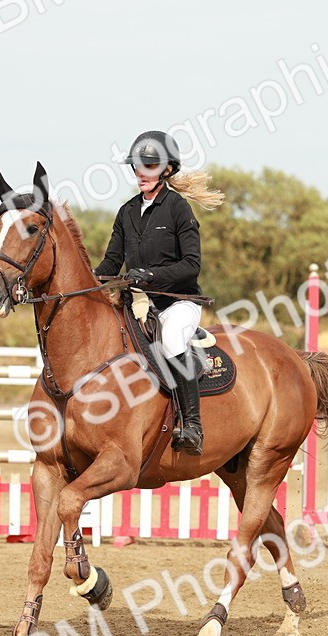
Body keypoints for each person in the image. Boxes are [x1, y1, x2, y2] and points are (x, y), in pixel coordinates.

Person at [94, 130, 224, 456]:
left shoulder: (178, 209)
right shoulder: (126, 212)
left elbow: (191, 264)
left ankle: (191, 425)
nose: (141, 172)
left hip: (178, 302)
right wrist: (90, 278)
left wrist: (151, 275)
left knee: (172, 340)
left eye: (149, 166)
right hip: (139, 303)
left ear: (166, 169)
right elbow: (112, 260)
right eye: (138, 166)